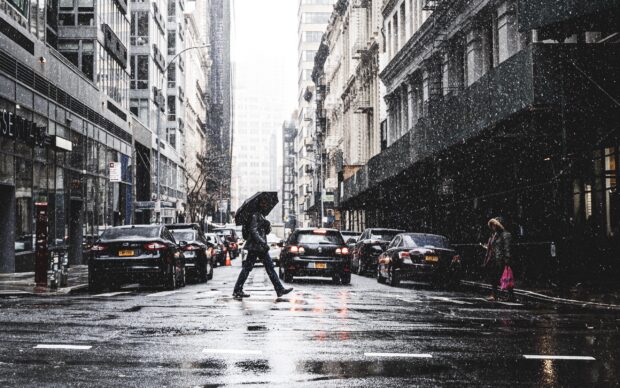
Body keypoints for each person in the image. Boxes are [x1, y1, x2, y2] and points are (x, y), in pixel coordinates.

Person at [233, 199, 293, 299]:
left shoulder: (260, 216)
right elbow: (253, 231)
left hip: (259, 247)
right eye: (264, 204)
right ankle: (237, 290)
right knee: (252, 269)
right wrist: (262, 242)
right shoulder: (255, 215)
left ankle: (279, 289)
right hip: (256, 247)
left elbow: (265, 232)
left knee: (267, 268)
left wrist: (268, 226)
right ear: (260, 205)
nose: (266, 206)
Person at [481, 217, 513, 301]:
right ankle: (495, 295)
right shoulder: (495, 235)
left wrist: (507, 260)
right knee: (494, 278)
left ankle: (511, 295)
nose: (493, 227)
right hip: (494, 260)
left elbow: (507, 248)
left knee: (506, 277)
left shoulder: (506, 235)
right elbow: (494, 247)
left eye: (494, 225)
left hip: (501, 260)